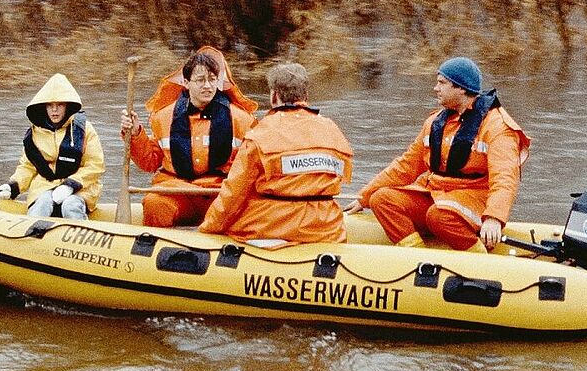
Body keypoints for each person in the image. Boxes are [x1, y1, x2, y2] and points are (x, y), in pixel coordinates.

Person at [345, 57, 529, 252]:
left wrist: (494, 217)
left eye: (442, 83)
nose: (435, 88)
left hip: (475, 199)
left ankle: (480, 258)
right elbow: (406, 165)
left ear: (461, 88)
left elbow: (505, 178)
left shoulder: (497, 126)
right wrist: (364, 197)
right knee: (381, 199)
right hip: (437, 193)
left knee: (439, 216)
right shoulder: (435, 122)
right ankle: (416, 256)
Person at [198, 62, 353, 243]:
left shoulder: (260, 134)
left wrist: (208, 229)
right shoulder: (332, 129)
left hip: (274, 225)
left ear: (274, 96)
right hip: (326, 226)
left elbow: (234, 193)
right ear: (306, 94)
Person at [120, 47, 258, 227]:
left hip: (219, 195)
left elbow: (252, 168)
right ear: (186, 82)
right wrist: (136, 133)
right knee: (154, 203)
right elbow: (150, 163)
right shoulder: (162, 117)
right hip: (176, 192)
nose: (208, 86)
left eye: (212, 79)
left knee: (250, 208)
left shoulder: (242, 119)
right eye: (200, 80)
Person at [0, 73, 105, 219]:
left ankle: (79, 238)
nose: (54, 110)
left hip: (81, 188)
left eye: (59, 105)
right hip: (44, 187)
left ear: (67, 106)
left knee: (70, 205)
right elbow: (28, 167)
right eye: (50, 105)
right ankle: (31, 239)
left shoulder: (85, 130)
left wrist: (70, 185)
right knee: (42, 203)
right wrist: (13, 186)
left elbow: (95, 165)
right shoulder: (34, 133)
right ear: (44, 107)